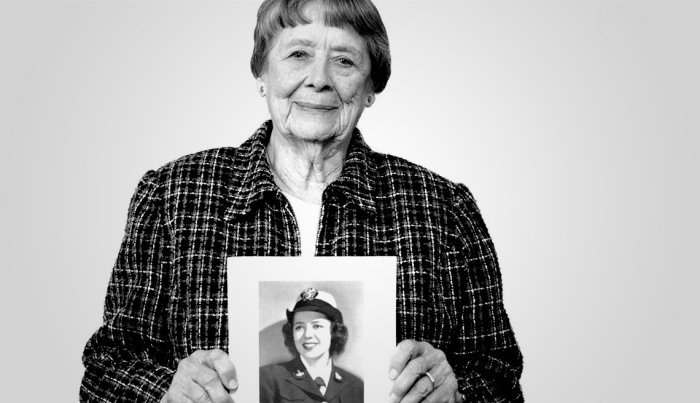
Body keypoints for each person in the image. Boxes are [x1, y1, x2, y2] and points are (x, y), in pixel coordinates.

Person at [81, 0, 524, 402]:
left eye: (344, 61)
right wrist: (165, 393)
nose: (319, 79)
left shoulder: (444, 209)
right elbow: (104, 372)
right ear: (262, 74)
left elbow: (502, 377)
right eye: (298, 54)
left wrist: (458, 392)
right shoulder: (171, 197)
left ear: (370, 87)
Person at [259, 288, 363, 402]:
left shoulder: (356, 387)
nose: (307, 335)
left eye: (316, 326)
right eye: (299, 327)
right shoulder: (267, 379)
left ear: (333, 331)